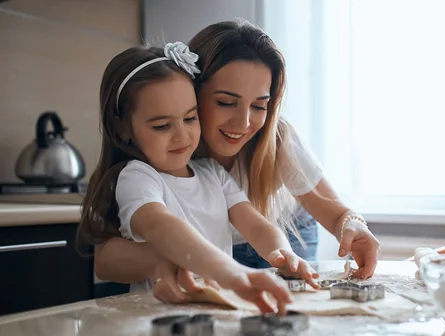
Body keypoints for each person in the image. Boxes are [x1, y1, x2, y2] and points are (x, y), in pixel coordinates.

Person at [93, 19, 381, 304]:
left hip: (282, 228)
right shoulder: (143, 173)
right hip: (219, 259)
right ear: (192, 90)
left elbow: (266, 227)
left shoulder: (234, 161)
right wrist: (183, 264)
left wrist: (348, 227)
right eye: (226, 102)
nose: (243, 122)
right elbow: (158, 230)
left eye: (259, 106)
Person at [77, 41, 320, 313]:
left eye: (190, 118)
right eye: (162, 126)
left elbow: (258, 227)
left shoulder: (213, 173)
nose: (182, 136)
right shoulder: (138, 177)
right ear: (123, 128)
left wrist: (282, 254)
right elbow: (160, 225)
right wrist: (230, 272)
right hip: (162, 318)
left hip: (217, 311)